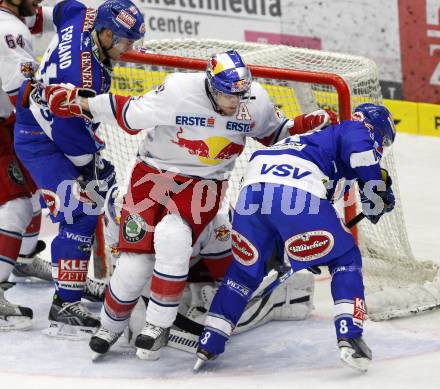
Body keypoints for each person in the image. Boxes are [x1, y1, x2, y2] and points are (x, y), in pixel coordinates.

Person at [43, 49, 335, 357]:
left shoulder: (254, 100)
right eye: (226, 95)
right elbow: (128, 112)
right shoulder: (178, 90)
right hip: (151, 176)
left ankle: (158, 325)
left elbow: (275, 133)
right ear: (210, 85)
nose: (234, 103)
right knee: (133, 264)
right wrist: (80, 101)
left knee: (174, 238)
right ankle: (109, 326)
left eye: (239, 95)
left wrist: (305, 124)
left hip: (205, 185)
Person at [194, 103, 396, 373]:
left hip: (251, 193)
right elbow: (360, 150)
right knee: (346, 257)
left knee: (244, 272)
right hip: (294, 191)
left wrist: (291, 242)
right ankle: (350, 335)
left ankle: (210, 340)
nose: (379, 147)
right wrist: (374, 191)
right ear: (375, 128)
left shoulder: (313, 140)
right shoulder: (356, 128)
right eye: (381, 141)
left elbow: (301, 204)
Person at [13, 0, 145, 339]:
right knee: (79, 208)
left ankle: (70, 284)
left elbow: (61, 10)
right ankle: (64, 305)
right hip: (40, 138)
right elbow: (66, 130)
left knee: (88, 203)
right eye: (124, 42)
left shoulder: (82, 15)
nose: (129, 50)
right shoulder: (82, 77)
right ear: (103, 33)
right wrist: (91, 168)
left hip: (47, 120)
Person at [91, 185, 314, 359]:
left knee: (219, 317)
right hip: (170, 263)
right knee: (137, 323)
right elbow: (126, 269)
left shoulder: (213, 219)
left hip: (208, 259)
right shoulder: (117, 209)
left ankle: (273, 301)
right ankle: (187, 296)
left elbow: (229, 279)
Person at [0, 0, 55, 331]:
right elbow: (24, 96)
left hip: (4, 122)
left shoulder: (13, 18)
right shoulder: (9, 29)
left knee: (33, 181)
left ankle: (20, 259)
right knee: (17, 203)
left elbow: (45, 17)